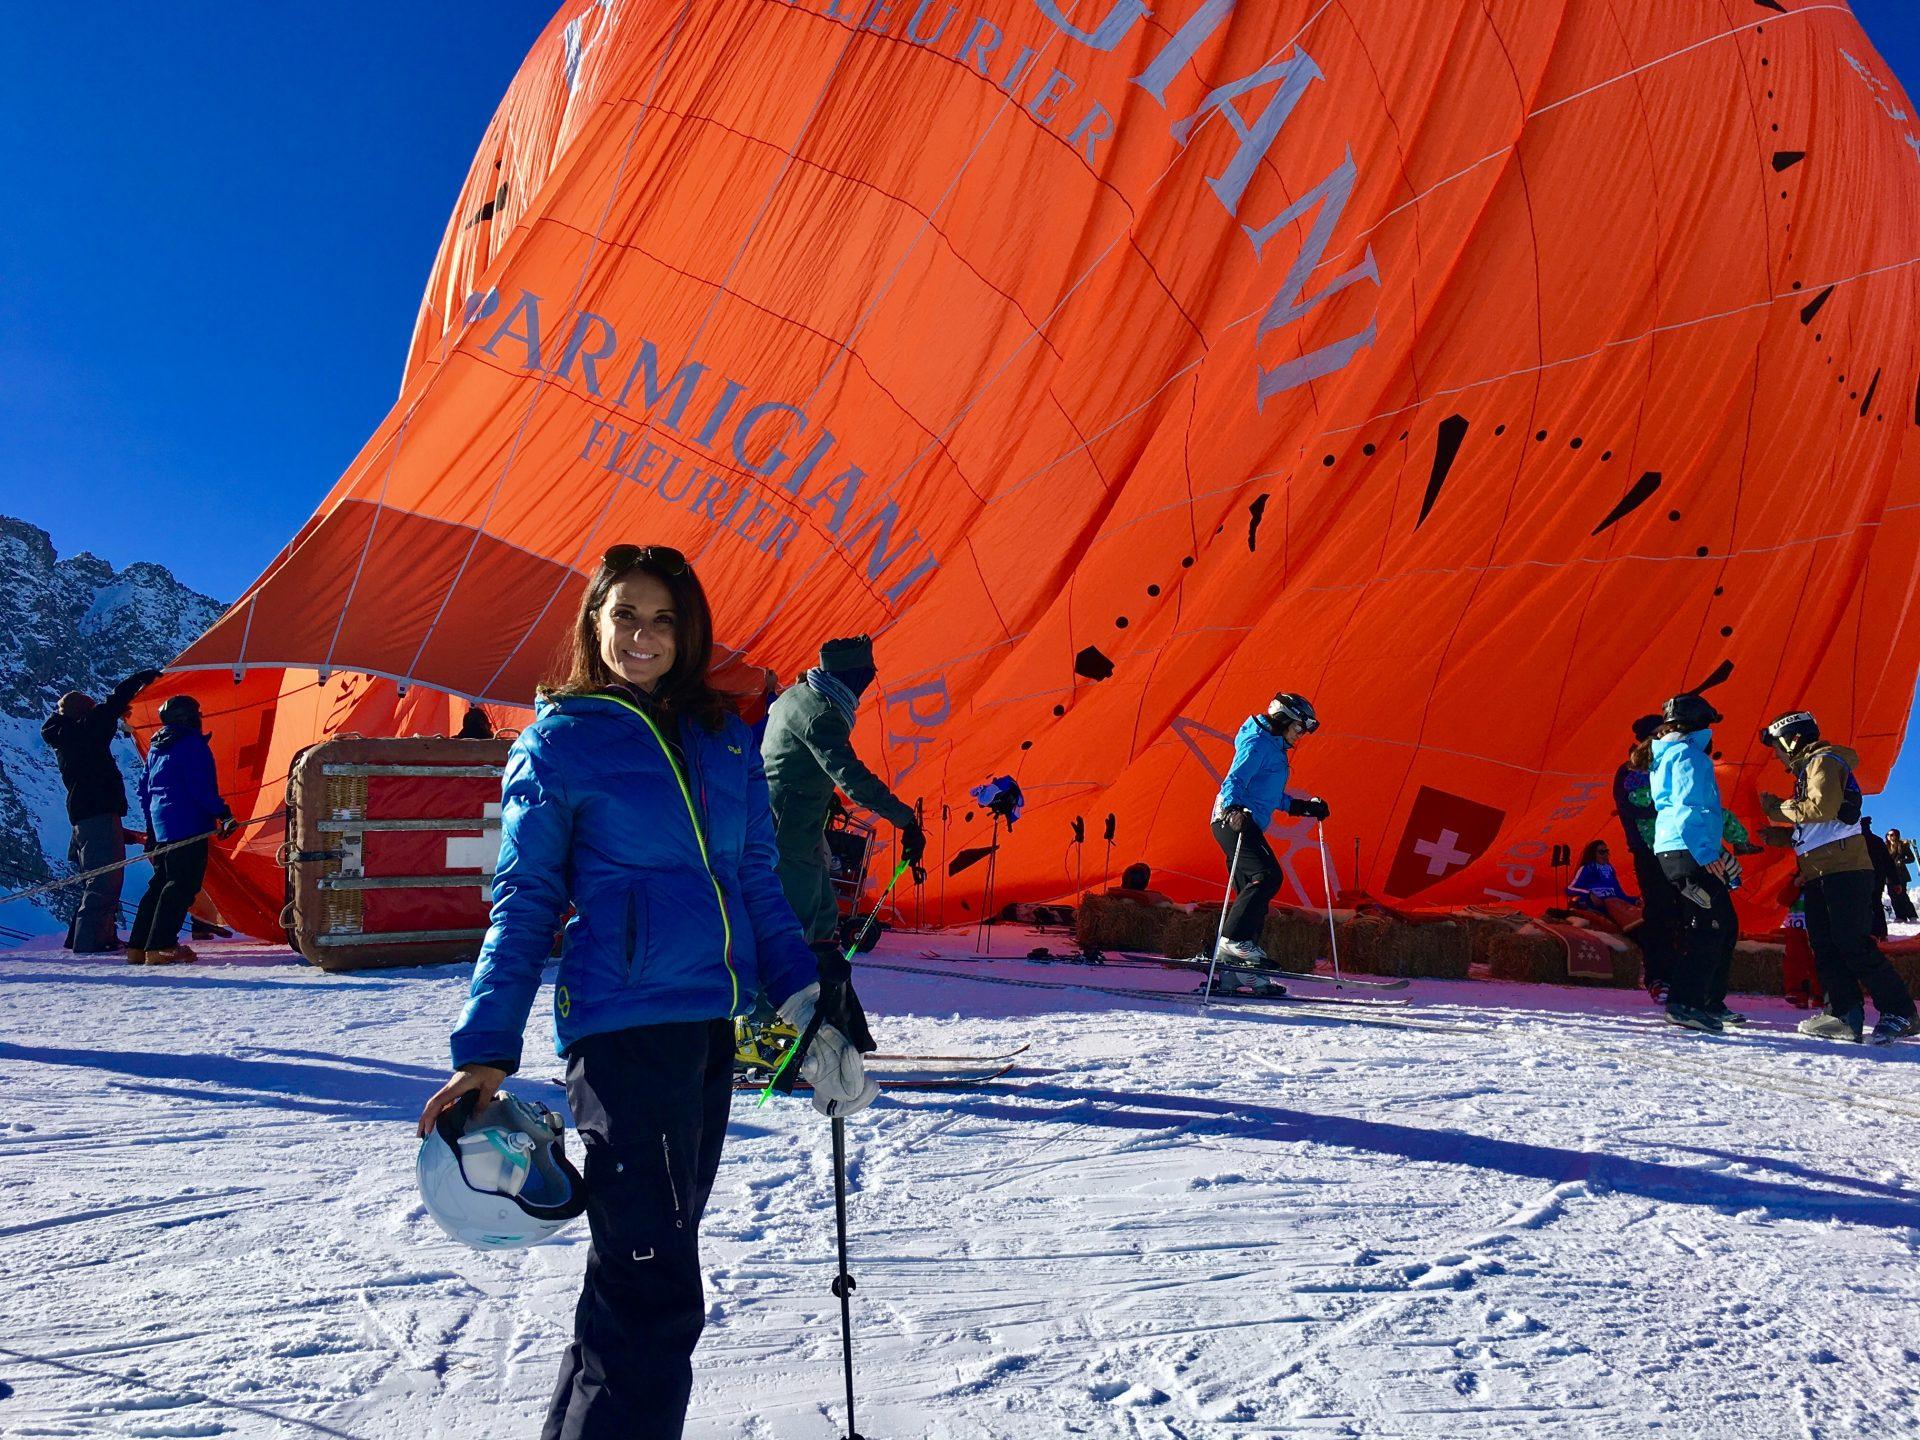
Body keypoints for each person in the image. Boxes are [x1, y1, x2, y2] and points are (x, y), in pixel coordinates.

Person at [416, 544, 877, 1440]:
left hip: (706, 1031)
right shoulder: (561, 743)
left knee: (634, 1278)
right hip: (624, 1039)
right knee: (655, 1293)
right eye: (626, 614)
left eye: (664, 619)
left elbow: (757, 881)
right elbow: (525, 902)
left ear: (688, 632)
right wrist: (483, 1049)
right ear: (595, 623)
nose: (644, 635)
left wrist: (803, 1005)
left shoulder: (723, 737)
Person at [1759, 711, 1917, 1043]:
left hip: (1844, 871)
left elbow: (1821, 808)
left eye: (1778, 747)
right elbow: (1822, 826)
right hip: (1820, 871)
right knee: (1826, 946)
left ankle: (1901, 1011)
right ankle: (1844, 1014)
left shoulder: (1823, 761)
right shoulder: (1808, 770)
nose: (1777, 755)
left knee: (1852, 943)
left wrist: (1776, 809)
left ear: (1793, 739)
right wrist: (1778, 837)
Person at [759, 635, 925, 945]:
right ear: (852, 677)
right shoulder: (822, 715)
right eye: (865, 677)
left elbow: (792, 756)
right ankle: (793, 987)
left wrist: (824, 791)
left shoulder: (797, 694)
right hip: (789, 828)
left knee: (824, 911)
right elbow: (851, 776)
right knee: (799, 922)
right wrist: (905, 820)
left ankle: (825, 981)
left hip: (789, 819)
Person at [39, 667, 160, 952]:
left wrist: (119, 831)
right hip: (97, 818)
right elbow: (109, 709)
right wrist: (136, 681)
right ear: (82, 713)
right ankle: (90, 943)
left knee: (98, 880)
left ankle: (88, 937)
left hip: (88, 819)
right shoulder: (81, 734)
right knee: (104, 882)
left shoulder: (68, 738)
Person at [1210, 691, 1329, 966]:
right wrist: (1231, 809)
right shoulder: (1257, 744)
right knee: (1267, 875)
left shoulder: (1273, 747)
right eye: (1299, 727)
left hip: (1244, 819)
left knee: (1253, 896)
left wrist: (1303, 807)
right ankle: (1232, 941)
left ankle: (1238, 968)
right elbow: (1234, 780)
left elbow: (1270, 795)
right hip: (1233, 821)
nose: (1301, 735)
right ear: (1282, 719)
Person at [1648, 693, 1739, 1034]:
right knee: (1709, 926)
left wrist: (1715, 850)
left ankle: (1705, 1001)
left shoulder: (1666, 754)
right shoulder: (1690, 755)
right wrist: (1707, 853)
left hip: (1675, 849)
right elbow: (1688, 807)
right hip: (1688, 849)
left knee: (1722, 924)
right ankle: (1685, 1003)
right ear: (1700, 726)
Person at [129, 694, 236, 965]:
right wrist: (222, 814)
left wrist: (152, 828)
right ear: (188, 718)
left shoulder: (157, 747)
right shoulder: (192, 745)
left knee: (160, 883)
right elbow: (200, 787)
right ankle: (162, 946)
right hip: (188, 823)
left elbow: (144, 790)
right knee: (182, 884)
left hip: (161, 824)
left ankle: (139, 946)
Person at [1614, 716, 1682, 1001]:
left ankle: (1681, 976)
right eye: (1660, 733)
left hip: (1678, 848)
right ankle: (1658, 977)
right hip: (1649, 851)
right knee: (1658, 913)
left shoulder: (1672, 763)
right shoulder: (1630, 771)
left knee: (1681, 913)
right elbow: (1637, 808)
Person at [1565, 839, 1642, 933]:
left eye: (1607, 852)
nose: (1605, 855)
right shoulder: (1587, 868)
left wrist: (1635, 900)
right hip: (1596, 905)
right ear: (1593, 854)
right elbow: (1569, 889)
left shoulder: (1610, 869)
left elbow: (1619, 894)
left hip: (1615, 904)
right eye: (1602, 852)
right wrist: (1589, 894)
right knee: (1612, 902)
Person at [1861, 817, 1895, 939]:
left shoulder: (1855, 841)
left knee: (1865, 904)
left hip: (1863, 876)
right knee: (1876, 902)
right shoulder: (1877, 840)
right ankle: (1880, 933)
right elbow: (1889, 863)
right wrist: (1895, 880)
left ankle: (1870, 932)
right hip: (1877, 877)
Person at [1886, 827, 1917, 924]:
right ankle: (1900, 916)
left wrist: (1902, 861)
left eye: (1892, 835)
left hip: (1901, 874)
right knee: (1892, 895)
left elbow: (1911, 858)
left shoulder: (1902, 846)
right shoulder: (1885, 847)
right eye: (1888, 835)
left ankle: (1911, 915)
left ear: (1896, 835)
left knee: (1902, 894)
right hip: (1889, 875)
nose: (1890, 837)